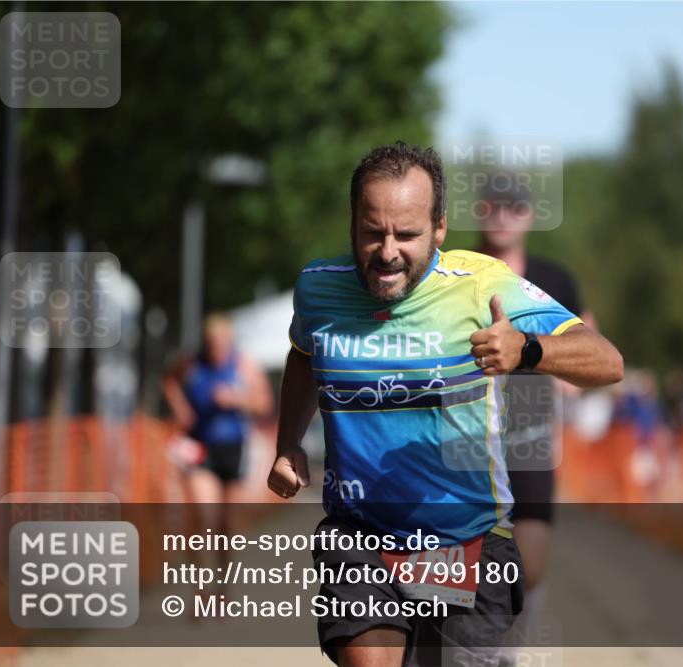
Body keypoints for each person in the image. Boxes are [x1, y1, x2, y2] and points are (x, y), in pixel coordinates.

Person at [267, 142, 624, 667]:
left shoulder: (481, 284)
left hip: (465, 540)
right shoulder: (319, 290)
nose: (388, 252)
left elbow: (607, 361)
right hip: (360, 536)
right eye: (373, 232)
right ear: (352, 224)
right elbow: (304, 355)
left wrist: (526, 350)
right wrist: (288, 444)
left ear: (439, 228)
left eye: (407, 235)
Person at [474, 173, 599, 636]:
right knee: (462, 568)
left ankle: (511, 648)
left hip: (528, 438)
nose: (502, 216)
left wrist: (564, 373)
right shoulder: (455, 273)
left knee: (529, 565)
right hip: (463, 437)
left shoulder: (553, 281)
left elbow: (591, 348)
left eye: (514, 207)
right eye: (492, 206)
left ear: (528, 216)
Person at [162, 312, 273, 515]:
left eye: (222, 343)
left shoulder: (243, 365)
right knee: (206, 516)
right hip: (201, 447)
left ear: (230, 341)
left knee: (230, 521)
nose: (217, 348)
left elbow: (265, 404)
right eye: (211, 343)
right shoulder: (193, 363)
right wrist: (181, 408)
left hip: (234, 449)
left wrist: (236, 399)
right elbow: (169, 380)